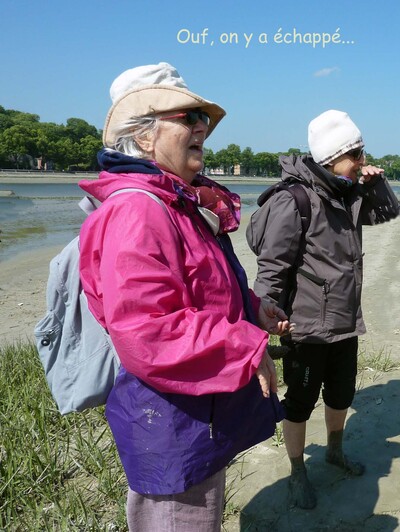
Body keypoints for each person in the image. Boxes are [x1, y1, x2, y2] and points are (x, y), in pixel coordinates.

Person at [78, 62, 291, 531]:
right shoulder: (138, 208)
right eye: (187, 117)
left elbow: (198, 288)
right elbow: (147, 330)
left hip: (193, 411)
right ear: (144, 137)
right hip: (172, 422)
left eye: (203, 118)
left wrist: (254, 310)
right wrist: (244, 347)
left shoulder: (176, 201)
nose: (201, 127)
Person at [246, 109, 400, 509]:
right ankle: (298, 471)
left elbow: (388, 213)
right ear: (335, 156)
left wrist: (377, 184)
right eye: (358, 154)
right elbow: (272, 269)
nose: (364, 160)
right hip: (306, 326)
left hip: (346, 323)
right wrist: (262, 322)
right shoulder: (294, 198)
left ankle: (334, 451)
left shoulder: (347, 192)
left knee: (341, 394)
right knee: (299, 402)